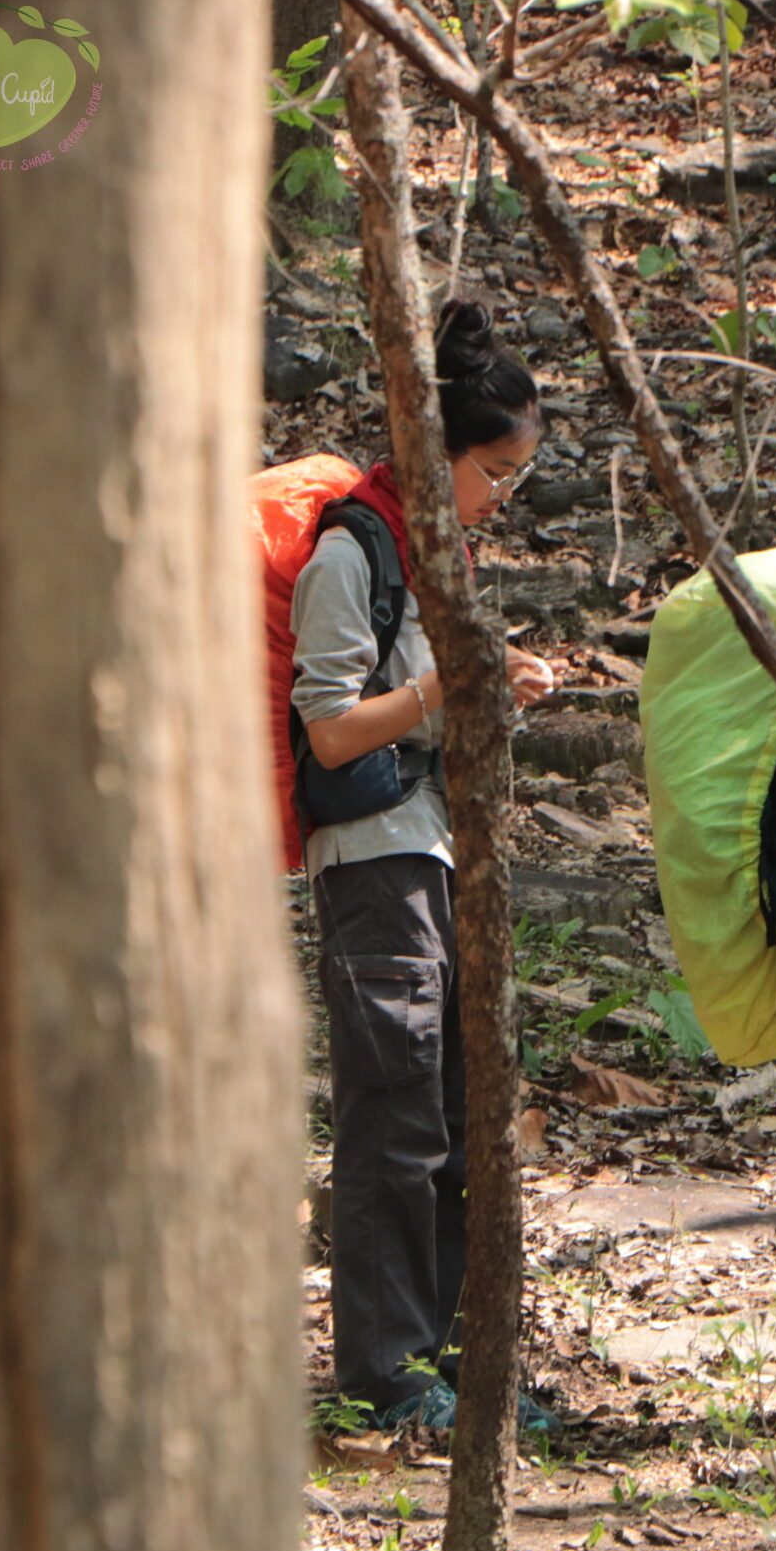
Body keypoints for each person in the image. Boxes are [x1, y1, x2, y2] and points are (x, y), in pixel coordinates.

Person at [299, 297, 559, 1432]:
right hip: (373, 865)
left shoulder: (430, 555)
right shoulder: (352, 553)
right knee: (394, 1120)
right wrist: (443, 692)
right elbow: (331, 732)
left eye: (518, 477)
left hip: (439, 857)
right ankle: (389, 1371)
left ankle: (459, 1357)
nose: (506, 496)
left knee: (457, 1110)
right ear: (436, 453)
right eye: (496, 472)